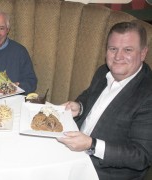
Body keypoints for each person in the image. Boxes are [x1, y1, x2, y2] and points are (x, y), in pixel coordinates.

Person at [57, 21, 152, 179]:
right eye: (113, 49)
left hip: (103, 172)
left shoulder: (148, 94)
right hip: (73, 152)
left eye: (127, 50)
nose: (118, 57)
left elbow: (141, 156)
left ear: (143, 53)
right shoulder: (104, 71)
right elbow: (89, 96)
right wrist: (79, 107)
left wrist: (92, 145)